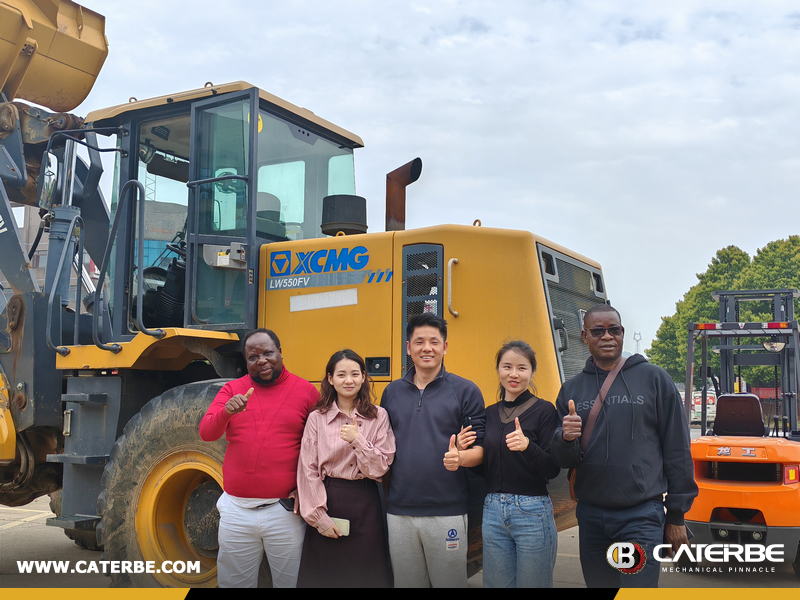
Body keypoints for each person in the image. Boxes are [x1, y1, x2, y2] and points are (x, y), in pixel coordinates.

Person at [550, 304, 698, 588]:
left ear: (622, 333)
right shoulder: (572, 389)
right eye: (598, 331)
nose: (607, 336)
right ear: (584, 336)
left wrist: (677, 515)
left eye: (613, 330)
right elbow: (562, 460)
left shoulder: (655, 379)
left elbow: (678, 451)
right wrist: (565, 438)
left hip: (641, 516)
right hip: (591, 517)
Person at [199, 328, 318, 588]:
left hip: (284, 511)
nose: (261, 360)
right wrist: (226, 413)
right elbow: (206, 432)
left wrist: (308, 489)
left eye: (267, 353)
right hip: (236, 512)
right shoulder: (233, 389)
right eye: (253, 357)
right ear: (246, 362)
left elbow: (321, 447)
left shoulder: (307, 392)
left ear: (280, 352)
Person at [379, 313, 486, 588]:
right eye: (419, 342)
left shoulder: (465, 391)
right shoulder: (391, 393)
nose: (426, 348)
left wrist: (460, 458)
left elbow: (481, 451)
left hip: (447, 511)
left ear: (445, 347)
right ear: (408, 347)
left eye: (434, 342)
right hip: (399, 511)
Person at [461, 340, 560, 587]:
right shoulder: (489, 412)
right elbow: (487, 468)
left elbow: (552, 468)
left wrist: (528, 446)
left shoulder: (544, 410)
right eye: (507, 367)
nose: (513, 374)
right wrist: (463, 453)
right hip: (493, 510)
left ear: (532, 372)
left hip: (532, 511)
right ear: (498, 370)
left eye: (521, 368)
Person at [296, 349, 395, 588]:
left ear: (363, 377)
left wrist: (357, 440)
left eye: (354, 374)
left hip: (366, 502)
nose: (348, 380)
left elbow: (380, 467)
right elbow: (307, 470)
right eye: (341, 375)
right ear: (330, 379)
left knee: (367, 576)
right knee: (325, 577)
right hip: (328, 499)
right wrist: (319, 518)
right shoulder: (317, 418)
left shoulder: (378, 416)